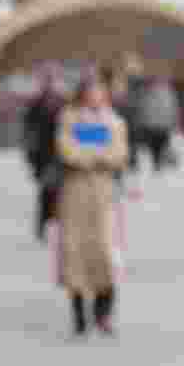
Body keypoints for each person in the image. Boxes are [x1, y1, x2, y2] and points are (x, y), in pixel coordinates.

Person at [55, 72, 129, 338]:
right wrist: (97, 152)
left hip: (104, 195)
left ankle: (103, 312)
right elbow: (67, 151)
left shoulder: (115, 121)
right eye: (91, 90)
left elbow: (119, 154)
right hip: (74, 194)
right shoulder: (69, 117)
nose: (96, 96)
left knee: (106, 251)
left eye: (100, 91)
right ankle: (78, 315)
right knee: (75, 252)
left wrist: (89, 150)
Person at [23, 64, 67, 242]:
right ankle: (43, 226)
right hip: (43, 156)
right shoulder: (36, 104)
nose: (50, 82)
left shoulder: (65, 102)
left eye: (53, 78)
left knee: (61, 193)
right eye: (47, 78)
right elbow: (29, 132)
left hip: (62, 154)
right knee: (46, 193)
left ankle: (59, 226)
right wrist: (30, 156)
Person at [136, 75, 180, 173]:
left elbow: (173, 109)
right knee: (157, 145)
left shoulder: (166, 93)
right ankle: (158, 162)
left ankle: (159, 162)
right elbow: (145, 108)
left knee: (159, 145)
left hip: (159, 124)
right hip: (157, 124)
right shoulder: (150, 93)